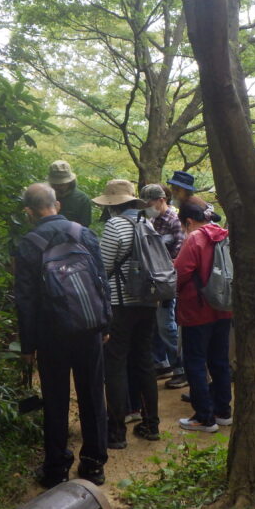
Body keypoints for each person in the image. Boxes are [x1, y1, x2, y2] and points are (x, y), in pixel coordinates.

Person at [14, 183, 108, 487]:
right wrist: (104, 322)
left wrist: (28, 345)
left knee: (55, 400)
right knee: (92, 395)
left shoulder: (28, 244)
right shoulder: (84, 233)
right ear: (58, 205)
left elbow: (25, 298)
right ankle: (93, 464)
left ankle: (56, 469)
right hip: (88, 328)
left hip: (51, 334)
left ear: (29, 211)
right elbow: (100, 281)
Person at [93, 179, 161, 448]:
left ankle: (117, 432)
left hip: (121, 304)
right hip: (147, 303)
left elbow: (103, 267)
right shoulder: (147, 224)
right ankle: (151, 424)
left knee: (116, 363)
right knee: (144, 361)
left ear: (113, 205)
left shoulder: (115, 225)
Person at [173, 197, 233, 432]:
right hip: (223, 307)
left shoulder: (195, 239)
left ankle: (203, 417)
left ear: (188, 221)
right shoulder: (224, 234)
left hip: (197, 310)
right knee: (219, 361)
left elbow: (181, 273)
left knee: (196, 362)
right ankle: (223, 411)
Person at [139, 184, 187, 390]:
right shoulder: (150, 221)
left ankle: (182, 368)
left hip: (167, 281)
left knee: (167, 326)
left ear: (161, 200)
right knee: (156, 326)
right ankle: (162, 363)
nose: (148, 207)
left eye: (150, 203)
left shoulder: (174, 222)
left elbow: (179, 252)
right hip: (153, 280)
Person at [48, 160, 91, 227]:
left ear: (69, 183)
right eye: (54, 184)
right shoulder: (45, 197)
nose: (57, 187)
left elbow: (84, 227)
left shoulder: (82, 199)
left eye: (61, 185)